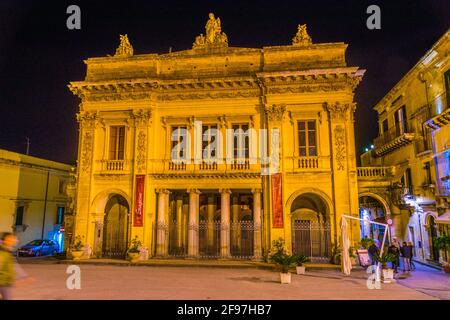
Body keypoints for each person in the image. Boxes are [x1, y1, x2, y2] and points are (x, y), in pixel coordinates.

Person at [0, 232, 17, 300]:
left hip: (5, 281)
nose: (15, 240)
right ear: (6, 240)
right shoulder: (3, 252)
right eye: (12, 239)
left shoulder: (7, 251)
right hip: (3, 282)